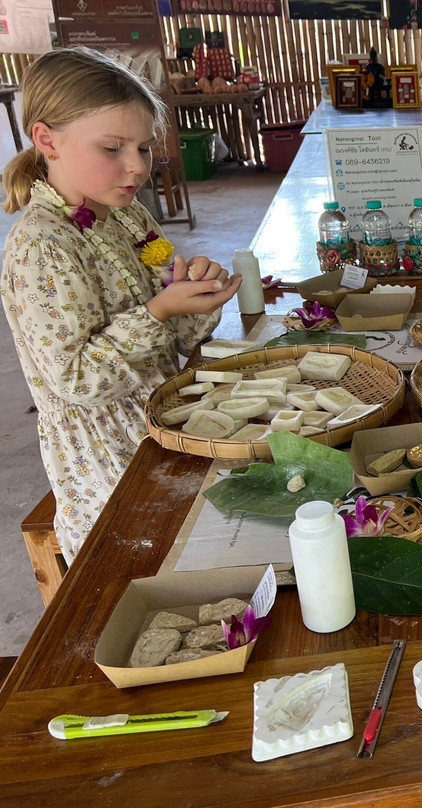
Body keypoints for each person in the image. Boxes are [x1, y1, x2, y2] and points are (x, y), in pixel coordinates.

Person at [1, 47, 242, 563]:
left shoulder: (130, 218)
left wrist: (195, 295)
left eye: (144, 148)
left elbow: (180, 336)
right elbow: (78, 380)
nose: (136, 167)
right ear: (47, 140)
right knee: (148, 567)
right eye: (113, 148)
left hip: (165, 418)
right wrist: (159, 311)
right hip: (108, 457)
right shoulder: (43, 246)